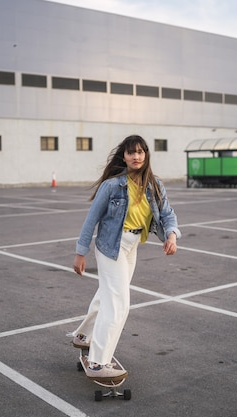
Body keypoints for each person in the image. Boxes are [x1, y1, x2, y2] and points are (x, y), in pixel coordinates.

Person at [70, 134, 181, 381]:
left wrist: (171, 236)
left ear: (146, 155)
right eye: (131, 152)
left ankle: (84, 335)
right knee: (119, 303)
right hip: (111, 246)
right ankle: (98, 362)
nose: (136, 156)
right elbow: (91, 219)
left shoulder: (154, 185)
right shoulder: (112, 185)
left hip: (132, 246)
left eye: (140, 152)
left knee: (108, 294)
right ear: (124, 156)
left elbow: (168, 215)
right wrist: (80, 253)